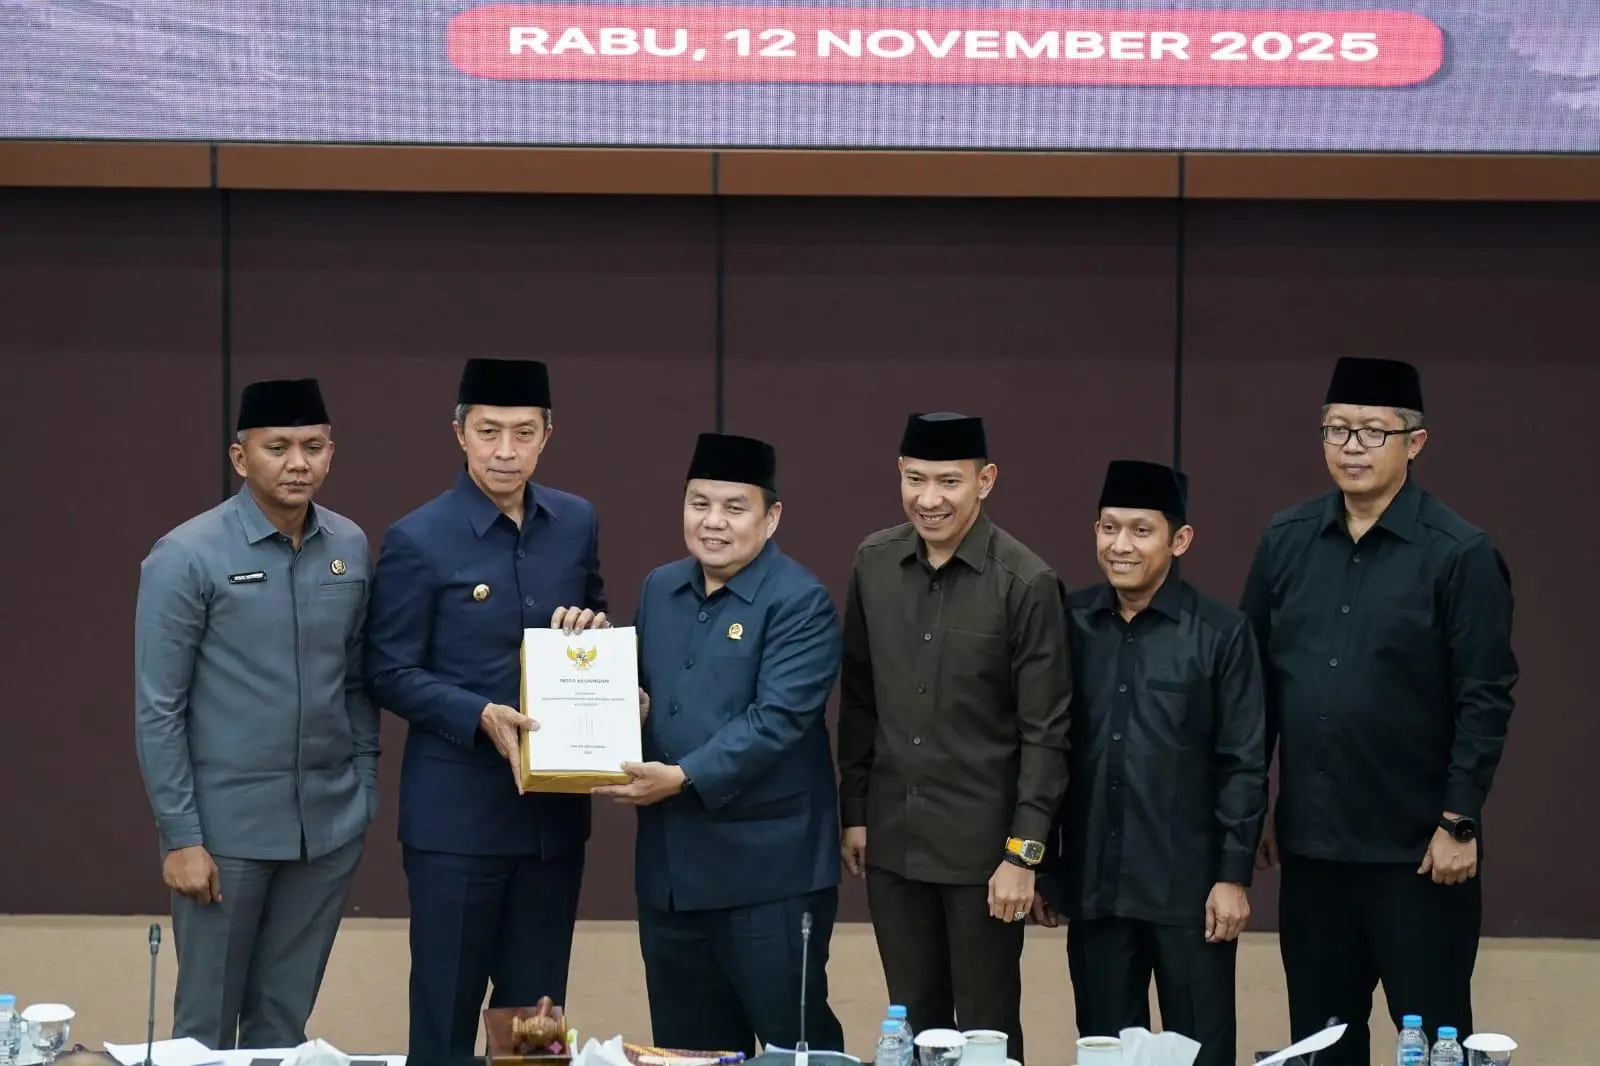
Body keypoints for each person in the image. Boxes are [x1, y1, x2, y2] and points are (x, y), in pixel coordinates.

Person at [1241, 357, 1518, 1065]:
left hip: (1419, 855)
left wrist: (1459, 819)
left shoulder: (1460, 554)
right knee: (1322, 1041)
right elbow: (1251, 691)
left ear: (1415, 443)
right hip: (1313, 849)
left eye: (1372, 431)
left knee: (1432, 1039)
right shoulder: (1286, 539)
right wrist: (1251, 814)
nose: (1352, 446)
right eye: (1337, 429)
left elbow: (1484, 695)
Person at [363, 357, 608, 1061]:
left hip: (552, 817)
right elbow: (386, 668)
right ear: (459, 434)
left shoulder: (576, 522)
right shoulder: (418, 537)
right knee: (444, 1012)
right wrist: (477, 714)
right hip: (456, 823)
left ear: (547, 436)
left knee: (536, 1022)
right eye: (488, 431)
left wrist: (592, 636)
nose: (506, 450)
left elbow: (596, 615)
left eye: (523, 433)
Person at [578, 432, 845, 1057]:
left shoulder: (799, 601)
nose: (714, 523)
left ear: (771, 516)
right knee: (688, 1051)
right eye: (700, 504)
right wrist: (620, 707)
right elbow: (650, 697)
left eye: (734, 507)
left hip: (768, 877)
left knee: (792, 1047)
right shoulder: (659, 588)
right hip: (672, 878)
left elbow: (777, 720)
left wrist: (682, 776)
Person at [134, 378, 376, 1050]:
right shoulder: (186, 555)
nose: (297, 462)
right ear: (241, 459)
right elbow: (159, 708)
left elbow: (357, 680)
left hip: (325, 831)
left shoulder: (350, 547)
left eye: (311, 446)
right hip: (222, 837)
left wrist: (363, 787)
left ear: (331, 453)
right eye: (277, 447)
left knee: (282, 1026)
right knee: (204, 1029)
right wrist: (181, 835)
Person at [837, 412, 1073, 1065]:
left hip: (985, 860)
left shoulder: (1027, 583)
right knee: (909, 1029)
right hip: (892, 845)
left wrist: (1023, 856)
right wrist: (854, 813)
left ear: (986, 480)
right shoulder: (873, 563)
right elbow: (857, 697)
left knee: (987, 1033)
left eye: (949, 481)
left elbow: (1047, 735)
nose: (929, 498)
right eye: (915, 479)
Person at [1031, 459, 1267, 1066]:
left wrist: (1233, 876)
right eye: (1109, 528)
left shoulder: (1221, 632)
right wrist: (1045, 865)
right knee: (1106, 1053)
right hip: (1094, 889)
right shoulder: (1069, 622)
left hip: (1191, 895)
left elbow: (1242, 762)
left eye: (1141, 530)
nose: (1121, 545)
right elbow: (1045, 747)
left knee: (1200, 1052)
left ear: (1179, 540)